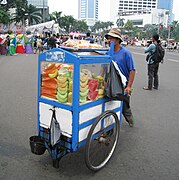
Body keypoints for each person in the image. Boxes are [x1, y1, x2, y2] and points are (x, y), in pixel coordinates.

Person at [105, 28, 136, 127]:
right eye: (108, 38)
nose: (109, 41)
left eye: (112, 39)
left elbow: (132, 70)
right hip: (111, 85)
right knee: (110, 105)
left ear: (118, 40)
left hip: (123, 86)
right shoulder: (107, 53)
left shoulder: (126, 53)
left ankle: (130, 118)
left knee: (124, 107)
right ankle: (110, 125)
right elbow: (104, 68)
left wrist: (129, 86)